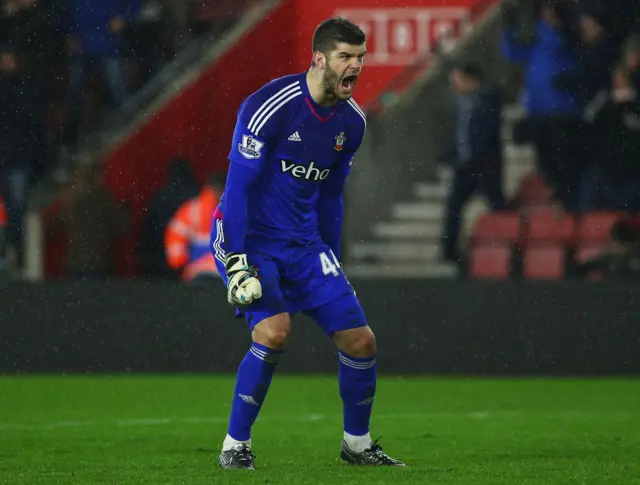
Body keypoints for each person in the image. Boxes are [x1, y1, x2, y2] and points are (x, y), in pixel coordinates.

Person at [209, 17, 405, 470]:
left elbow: (332, 195)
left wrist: (331, 255)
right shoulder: (269, 106)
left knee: (361, 342)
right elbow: (237, 191)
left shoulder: (352, 123)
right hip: (252, 240)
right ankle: (234, 446)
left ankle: (357, 446)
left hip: (305, 245)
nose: (355, 66)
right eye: (345, 57)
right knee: (274, 332)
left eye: (360, 57)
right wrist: (236, 259)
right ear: (319, 59)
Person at [441, 62, 505, 263]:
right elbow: (459, 134)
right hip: (465, 166)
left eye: (458, 80)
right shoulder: (460, 104)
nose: (455, 86)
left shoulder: (487, 100)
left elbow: (486, 133)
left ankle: (506, 250)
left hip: (485, 164)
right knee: (453, 206)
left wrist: (480, 154)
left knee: (497, 205)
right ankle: (449, 252)